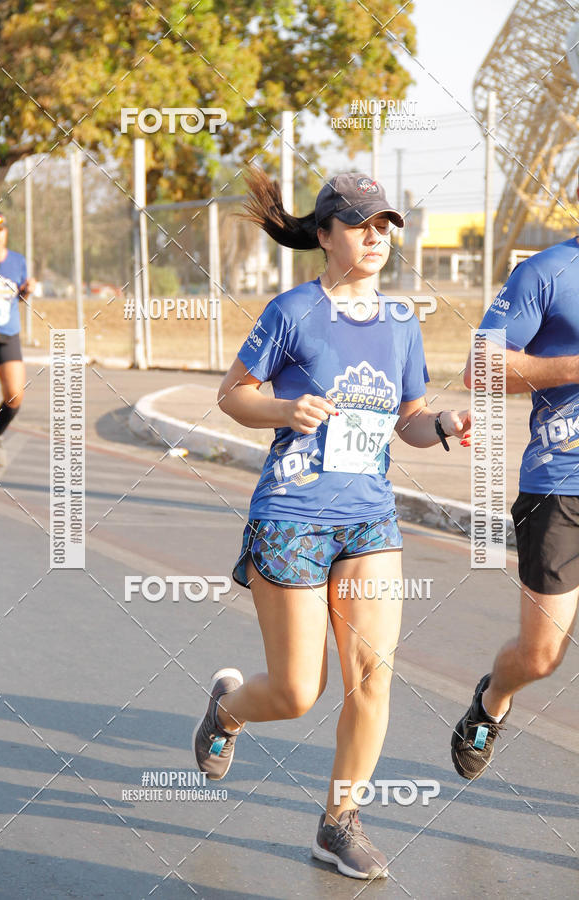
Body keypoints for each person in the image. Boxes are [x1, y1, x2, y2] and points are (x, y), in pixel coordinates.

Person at [193, 169, 471, 880]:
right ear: (324, 234)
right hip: (292, 517)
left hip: (368, 520)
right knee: (296, 692)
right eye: (359, 225)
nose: (375, 238)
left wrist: (440, 423)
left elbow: (408, 418)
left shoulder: (401, 322)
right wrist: (285, 409)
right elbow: (233, 395)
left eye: (384, 226)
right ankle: (228, 711)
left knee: (372, 679)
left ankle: (338, 823)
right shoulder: (292, 312)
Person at [451, 221, 579, 780]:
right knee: (541, 655)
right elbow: (479, 368)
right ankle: (493, 699)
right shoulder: (545, 274)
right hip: (560, 484)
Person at [0, 210, 35, 468]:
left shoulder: (17, 261)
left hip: (8, 334)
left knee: (15, 394)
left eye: (0, 231)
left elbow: (18, 295)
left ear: (6, 233)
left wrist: (26, 290)